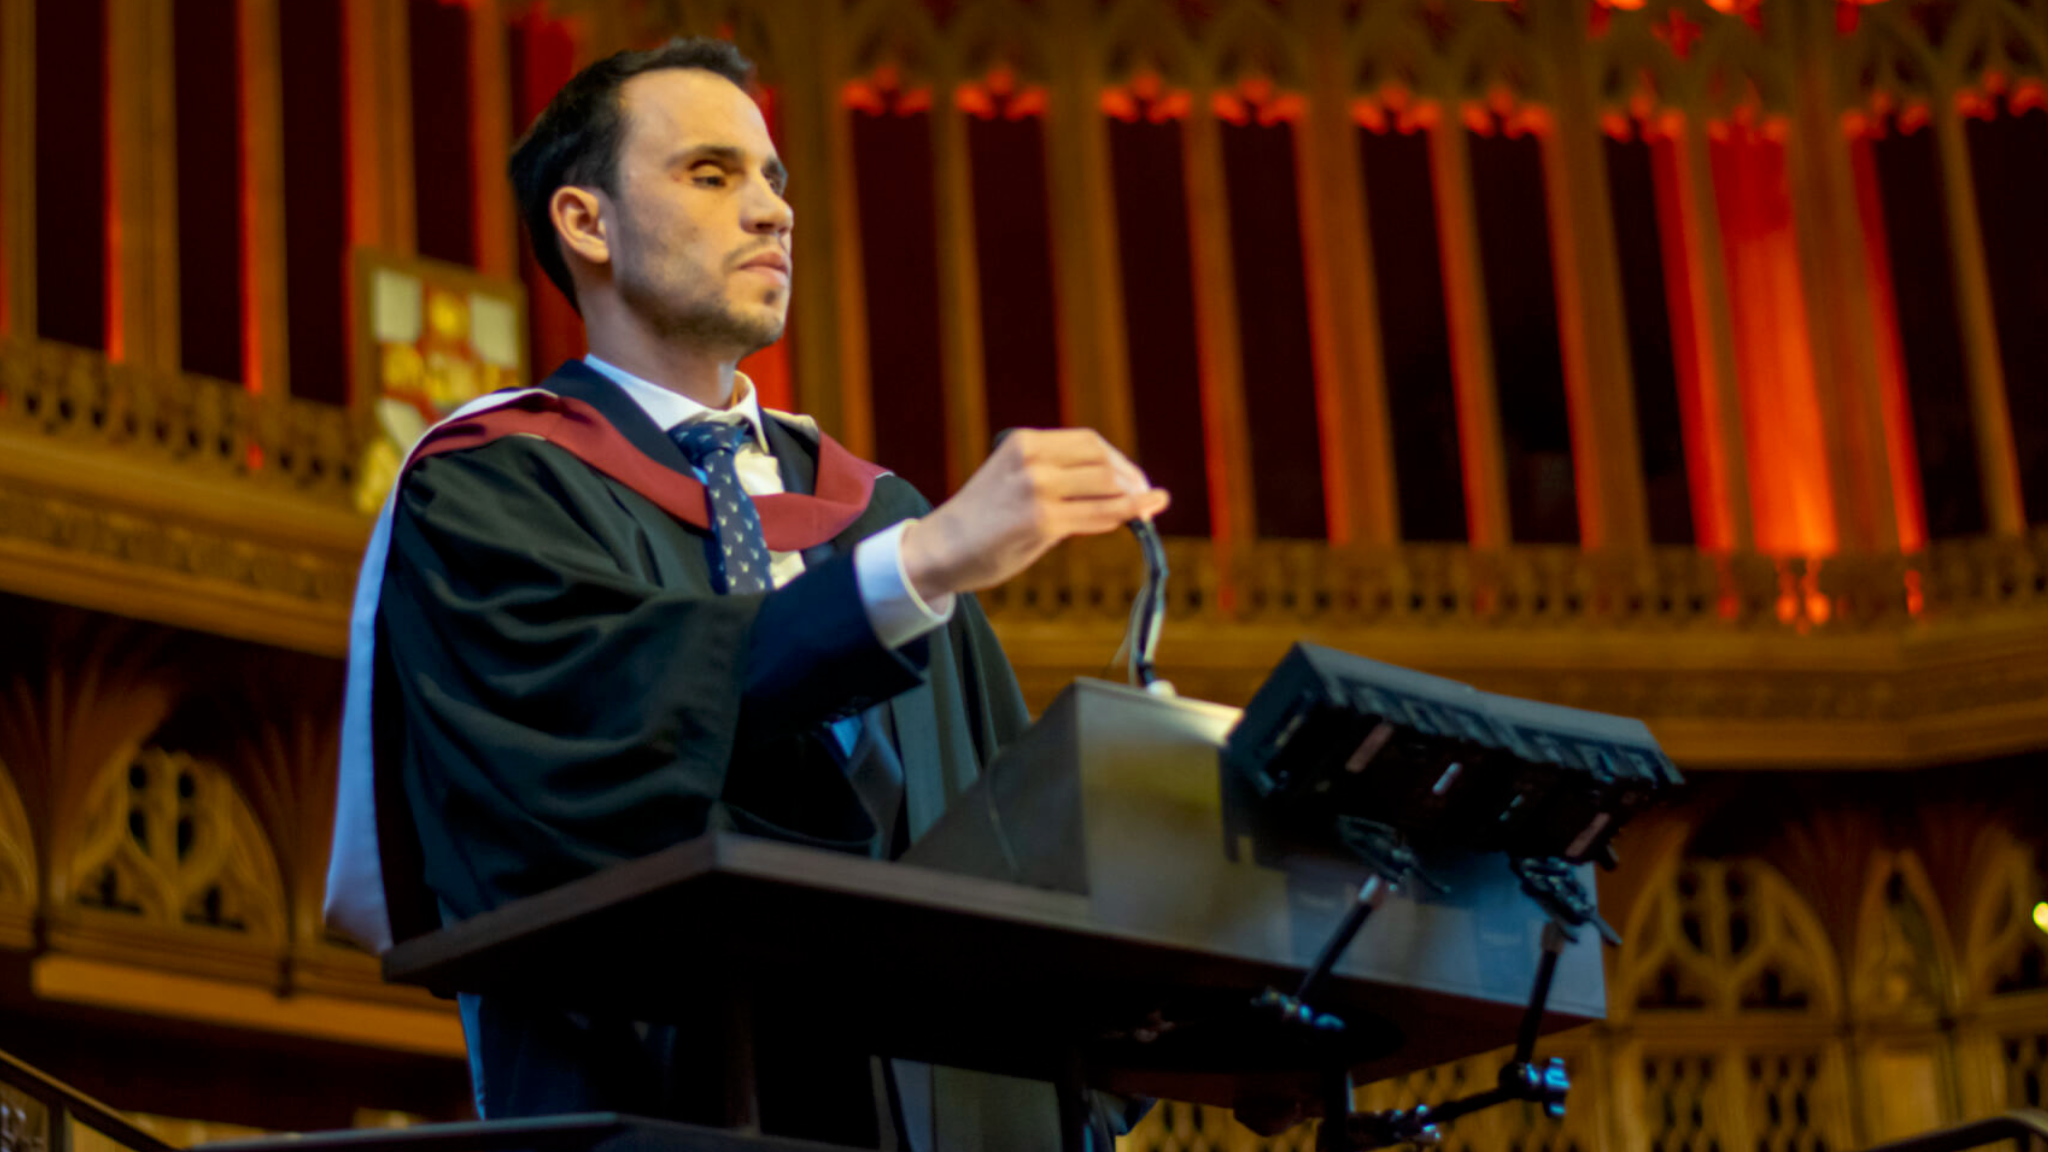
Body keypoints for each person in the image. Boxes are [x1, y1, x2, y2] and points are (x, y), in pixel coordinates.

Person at [322, 35, 1166, 1151]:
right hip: (657, 1107)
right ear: (586, 223)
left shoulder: (873, 511)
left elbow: (1011, 849)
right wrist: (910, 574)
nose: (772, 212)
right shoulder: (488, 490)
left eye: (772, 181)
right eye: (712, 175)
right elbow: (583, 759)